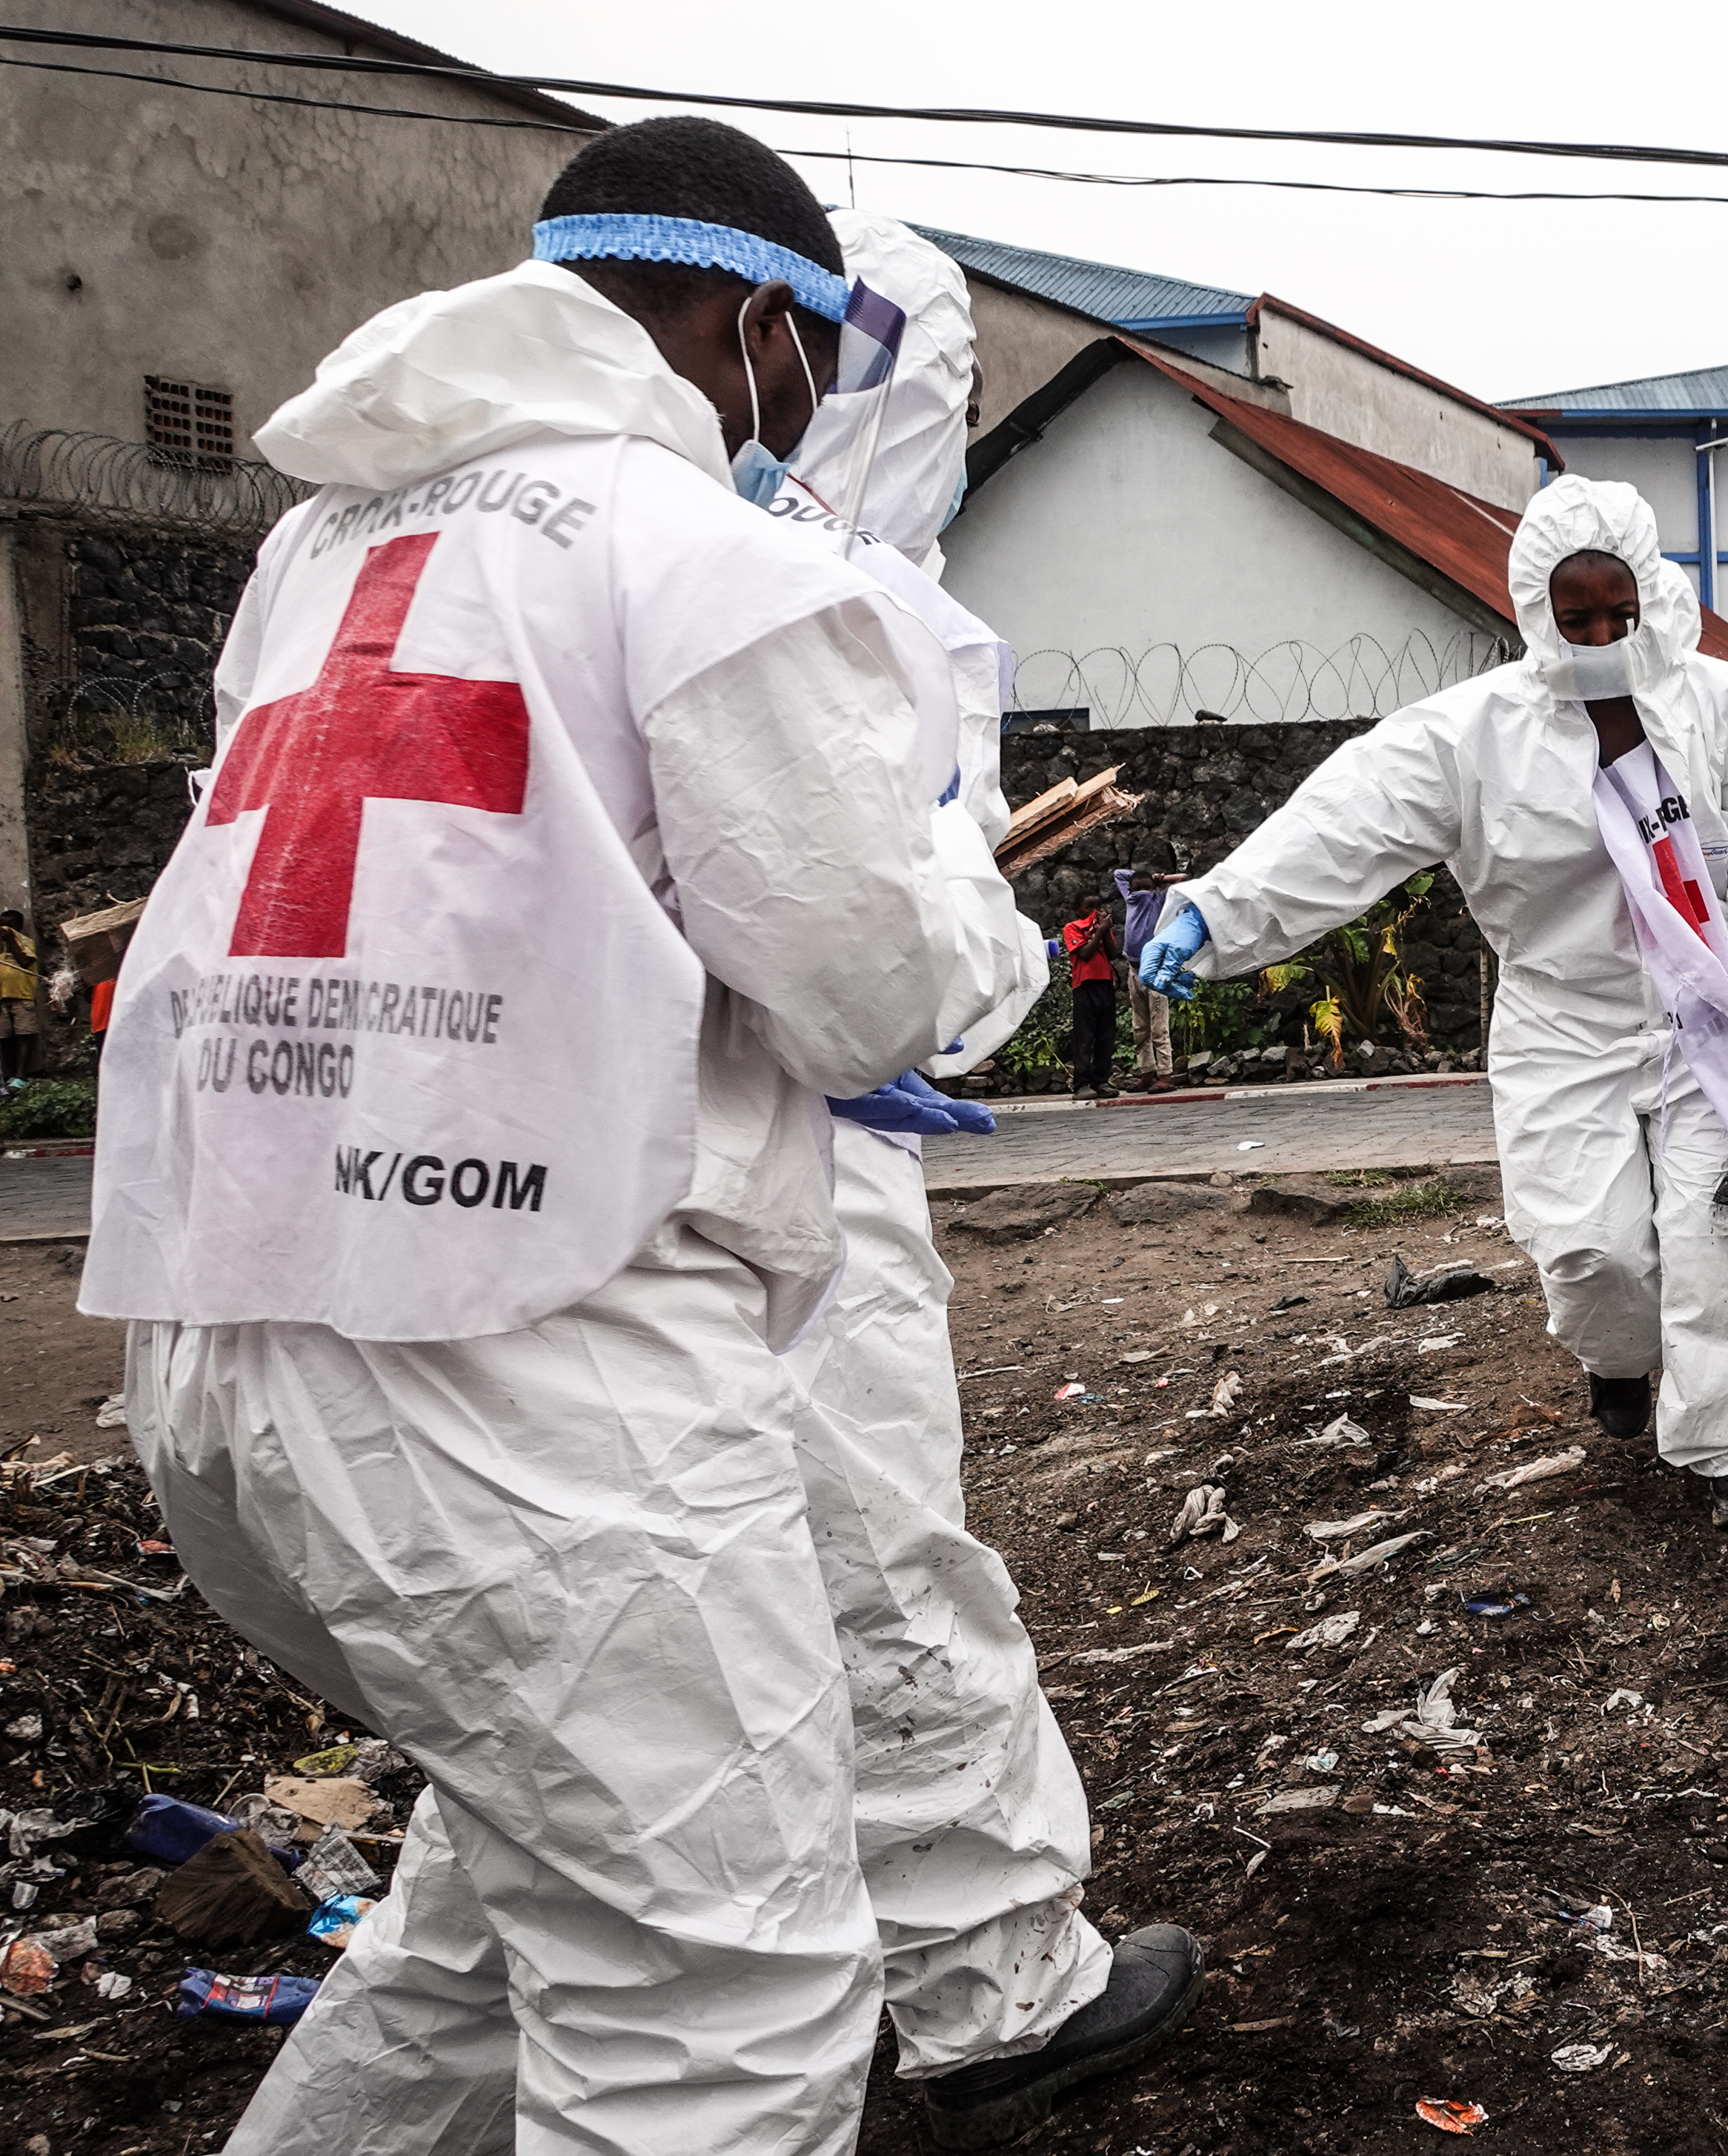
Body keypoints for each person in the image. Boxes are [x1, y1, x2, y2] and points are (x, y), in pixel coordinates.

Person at [90, 116, 1191, 2153]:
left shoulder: (328, 543)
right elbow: (868, 990)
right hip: (533, 1372)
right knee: (724, 1999)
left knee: (532, 1886)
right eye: (817, 355)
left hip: (234, 1348)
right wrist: (961, 891)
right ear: (760, 324)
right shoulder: (709, 557)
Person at [740, 209, 1176, 2146]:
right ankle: (996, 1982)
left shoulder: (572, 538)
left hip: (568, 1180)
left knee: (666, 1628)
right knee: (886, 1564)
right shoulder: (876, 609)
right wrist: (976, 941)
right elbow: (899, 979)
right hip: (791, 1176)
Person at [1137, 477, 1728, 1531]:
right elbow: (1344, 824)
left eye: (1619, 612)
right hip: (1565, 1021)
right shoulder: (1474, 736)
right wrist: (1217, 913)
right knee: (1592, 1248)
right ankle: (1617, 1357)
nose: (1601, 634)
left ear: (1651, 594)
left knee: (1717, 1229)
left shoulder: (1719, 704)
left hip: (1709, 1014)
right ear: (1534, 611)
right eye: (1578, 616)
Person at [1117, 868, 1179, 1084]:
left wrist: (1162, 880)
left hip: (1155, 971)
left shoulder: (1159, 901)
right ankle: (1147, 1073)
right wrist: (1147, 877)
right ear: (1130, 891)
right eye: (1137, 889)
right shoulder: (1130, 899)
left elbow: (1184, 880)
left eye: (1147, 889)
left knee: (1159, 1027)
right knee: (1140, 1027)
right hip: (1133, 972)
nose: (1142, 892)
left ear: (1154, 890)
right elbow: (1119, 874)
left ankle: (1166, 1075)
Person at [1060, 902, 1120, 1093]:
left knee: (1106, 1036)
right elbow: (1085, 954)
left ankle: (1100, 1081)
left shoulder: (1102, 927)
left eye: (1097, 907)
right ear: (1078, 910)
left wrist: (1104, 930)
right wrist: (1100, 931)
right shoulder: (1073, 928)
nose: (1094, 911)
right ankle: (1081, 1084)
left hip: (1105, 984)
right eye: (1088, 907)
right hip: (1085, 986)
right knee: (1085, 1037)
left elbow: (1112, 954)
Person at [0, 907, 36, 1081]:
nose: (5, 931)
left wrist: (12, 940)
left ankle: (21, 1076)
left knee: (24, 1034)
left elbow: (25, 962)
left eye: (10, 928)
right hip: (1, 999)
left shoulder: (25, 942)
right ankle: (9, 1075)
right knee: (4, 1037)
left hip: (22, 997)